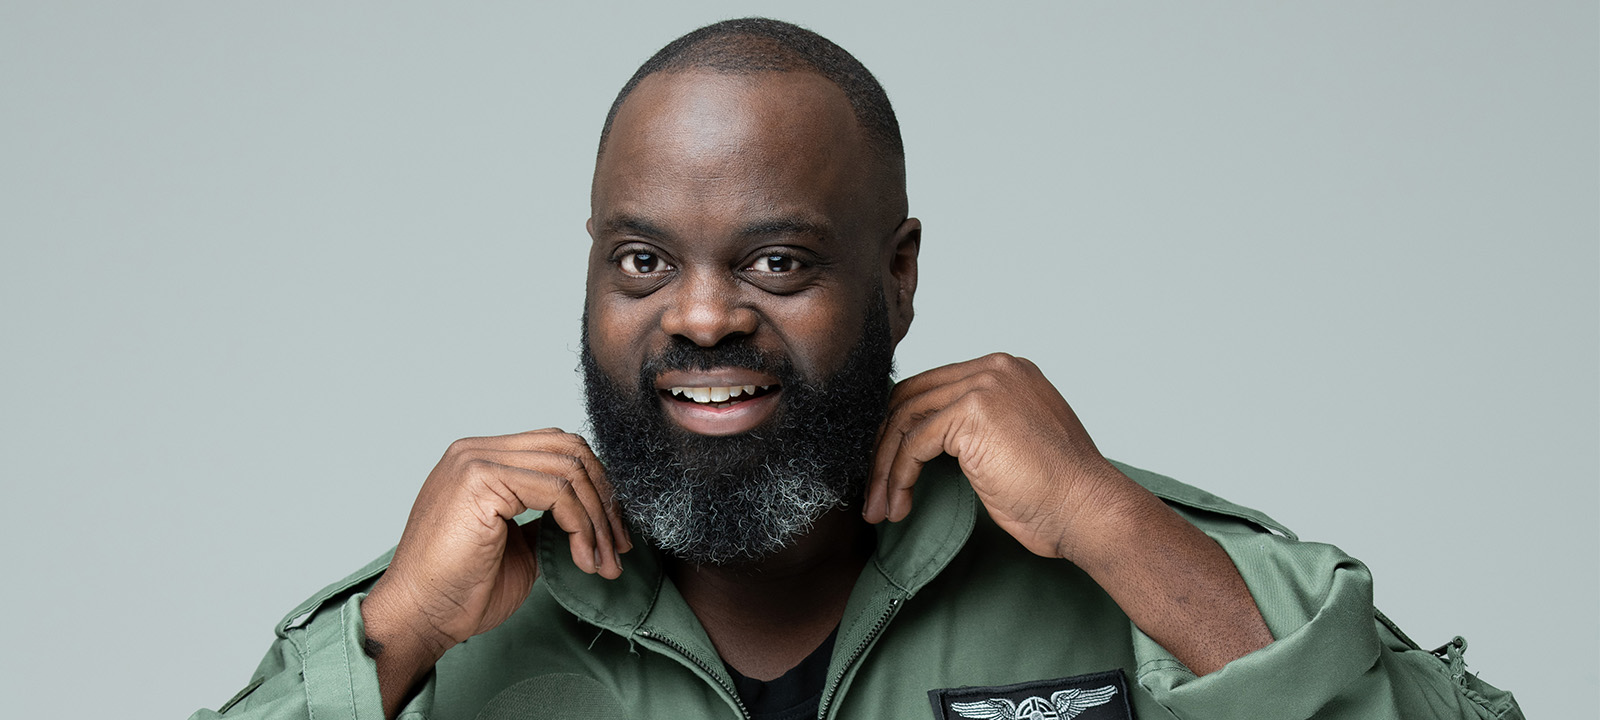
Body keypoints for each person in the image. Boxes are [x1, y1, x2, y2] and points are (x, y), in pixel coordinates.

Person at [192, 18, 1522, 720]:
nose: (700, 318)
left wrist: (1113, 525)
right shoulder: (454, 623)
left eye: (777, 262)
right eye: (642, 262)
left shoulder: (1108, 563)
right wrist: (394, 641)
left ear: (898, 276)